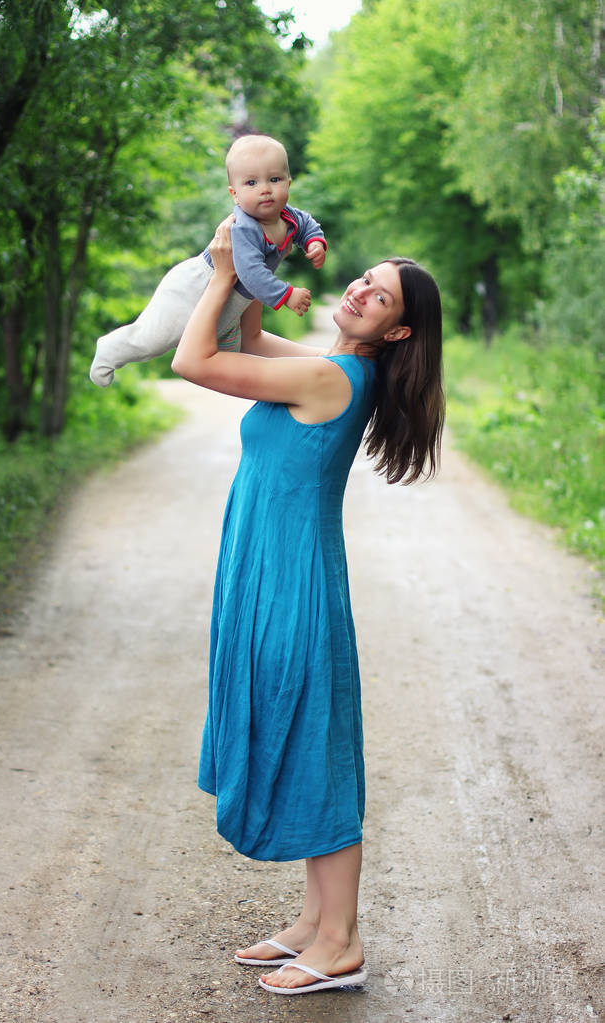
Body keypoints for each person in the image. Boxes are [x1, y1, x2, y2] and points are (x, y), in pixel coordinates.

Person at [170, 217, 445, 995]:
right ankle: (315, 923)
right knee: (305, 737)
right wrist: (260, 252)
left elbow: (196, 357)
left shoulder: (330, 380)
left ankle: (343, 940)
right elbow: (253, 338)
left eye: (380, 295)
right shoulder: (331, 366)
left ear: (397, 332)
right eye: (364, 277)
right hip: (273, 566)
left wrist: (223, 273)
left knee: (316, 747)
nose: (359, 287)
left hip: (291, 582)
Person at [89, 134, 326, 387]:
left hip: (233, 301)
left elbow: (307, 225)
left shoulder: (288, 216)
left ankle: (320, 366)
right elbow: (252, 273)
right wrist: (286, 294)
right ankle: (110, 349)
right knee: (155, 338)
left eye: (274, 179)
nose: (265, 189)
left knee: (225, 353)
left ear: (288, 183)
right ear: (234, 194)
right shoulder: (245, 228)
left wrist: (314, 242)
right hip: (196, 286)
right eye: (251, 182)